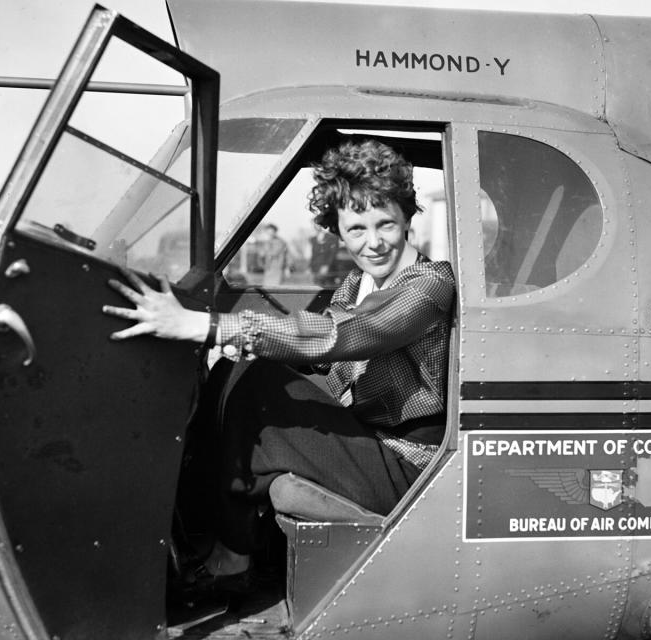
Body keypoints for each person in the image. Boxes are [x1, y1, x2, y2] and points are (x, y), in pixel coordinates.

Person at [102, 139, 455, 593]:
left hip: (409, 465)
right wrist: (249, 348)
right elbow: (334, 370)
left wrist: (207, 326)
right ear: (338, 230)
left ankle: (232, 559)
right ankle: (199, 538)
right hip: (370, 440)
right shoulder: (357, 283)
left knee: (260, 383)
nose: (374, 242)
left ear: (407, 217)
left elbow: (340, 335)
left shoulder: (427, 285)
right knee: (240, 371)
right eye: (357, 228)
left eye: (386, 223)